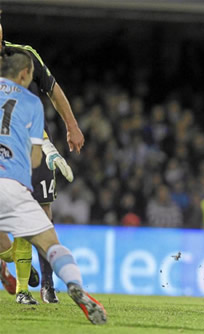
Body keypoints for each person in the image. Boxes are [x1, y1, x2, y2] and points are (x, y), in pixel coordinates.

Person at [0, 50, 106, 324]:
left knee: (6, 242)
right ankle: (75, 286)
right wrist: (47, 153)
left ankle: (15, 274)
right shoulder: (31, 103)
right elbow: (36, 157)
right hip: (13, 183)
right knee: (50, 244)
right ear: (24, 74)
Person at [0, 15, 81, 303]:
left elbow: (53, 90)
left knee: (42, 213)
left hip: (35, 145)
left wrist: (71, 126)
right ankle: (15, 267)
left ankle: (45, 284)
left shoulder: (24, 55)